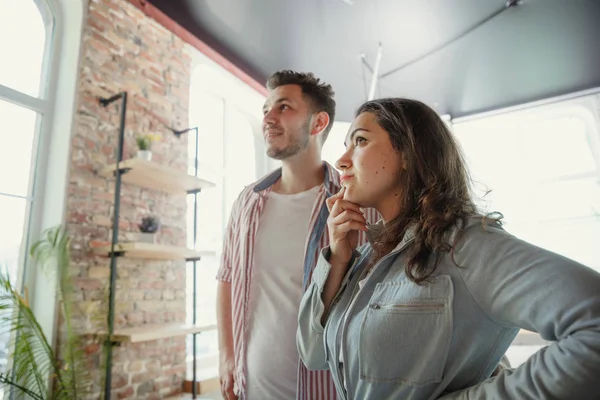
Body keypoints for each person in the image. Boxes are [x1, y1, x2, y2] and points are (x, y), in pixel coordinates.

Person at [297, 97, 600, 399]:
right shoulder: (362, 259)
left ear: (408, 153)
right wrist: (338, 258)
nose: (341, 161)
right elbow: (313, 354)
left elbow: (593, 322)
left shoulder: (466, 245)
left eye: (360, 140)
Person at [215, 70, 379, 400]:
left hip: (327, 390)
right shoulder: (247, 202)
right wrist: (226, 356)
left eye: (283, 107)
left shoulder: (358, 205)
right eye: (265, 110)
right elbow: (227, 277)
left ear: (318, 124)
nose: (268, 118)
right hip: (253, 387)